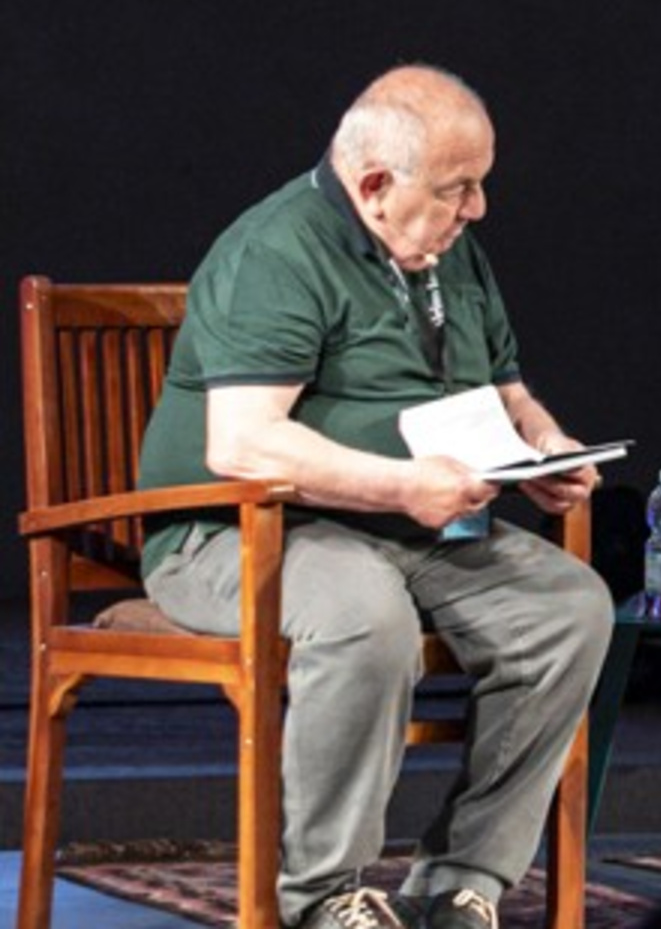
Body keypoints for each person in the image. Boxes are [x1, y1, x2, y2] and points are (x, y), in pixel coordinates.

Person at [136, 67, 611, 929]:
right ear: (374, 186)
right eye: (459, 189)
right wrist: (403, 484)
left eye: (481, 184)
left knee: (568, 606)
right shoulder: (275, 253)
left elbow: (506, 388)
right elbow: (241, 443)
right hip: (236, 531)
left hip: (400, 529)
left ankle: (462, 881)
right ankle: (327, 895)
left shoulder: (447, 247)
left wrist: (541, 447)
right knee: (362, 613)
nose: (478, 210)